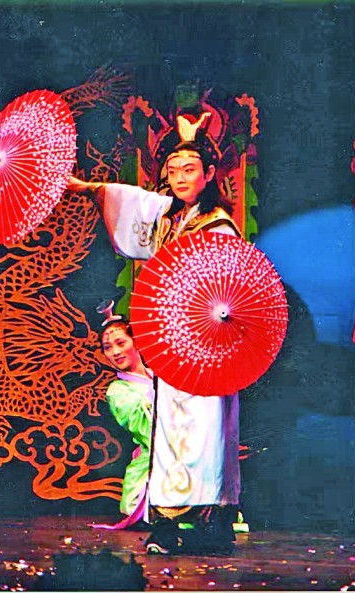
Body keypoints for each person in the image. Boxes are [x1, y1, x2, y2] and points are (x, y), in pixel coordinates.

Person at [69, 132, 241, 555]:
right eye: (173, 171)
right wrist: (88, 188)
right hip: (171, 341)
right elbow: (134, 201)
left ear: (209, 174)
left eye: (189, 169)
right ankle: (167, 523)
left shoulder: (218, 224)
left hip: (207, 342)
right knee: (169, 431)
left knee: (206, 433)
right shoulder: (169, 218)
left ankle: (209, 524)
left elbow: (231, 286)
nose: (180, 178)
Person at [89, 317, 154, 530]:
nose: (115, 352)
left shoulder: (160, 377)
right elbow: (146, 431)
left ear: (137, 341)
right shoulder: (117, 391)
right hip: (152, 466)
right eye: (108, 348)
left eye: (121, 343)